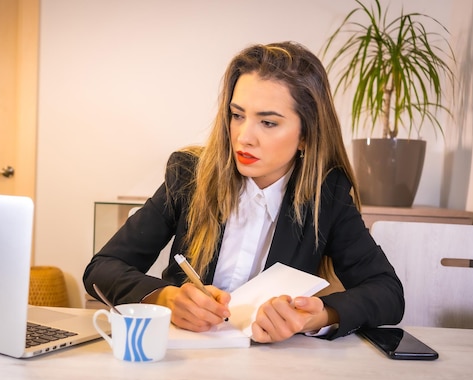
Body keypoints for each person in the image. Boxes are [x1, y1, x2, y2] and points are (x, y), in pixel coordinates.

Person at [83, 41, 404, 342]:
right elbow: (101, 269)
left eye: (268, 123)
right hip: (184, 364)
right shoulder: (188, 175)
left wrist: (317, 316)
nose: (244, 137)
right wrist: (165, 297)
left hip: (273, 374)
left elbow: (388, 293)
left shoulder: (326, 195)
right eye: (238, 116)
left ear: (306, 135)